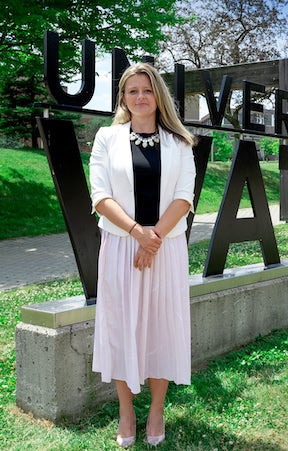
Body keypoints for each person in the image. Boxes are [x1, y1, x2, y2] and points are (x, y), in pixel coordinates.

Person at [89, 62, 196, 447]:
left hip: (166, 250)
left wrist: (154, 239)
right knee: (121, 326)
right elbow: (100, 195)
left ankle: (156, 409)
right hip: (121, 247)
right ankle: (125, 410)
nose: (139, 97)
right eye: (131, 91)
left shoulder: (180, 142)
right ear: (123, 97)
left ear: (158, 96)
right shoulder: (106, 138)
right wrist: (138, 234)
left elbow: (184, 197)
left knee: (161, 327)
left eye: (146, 90)